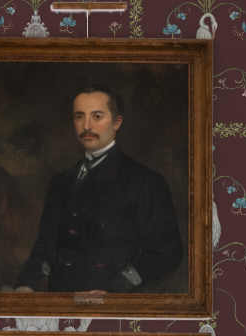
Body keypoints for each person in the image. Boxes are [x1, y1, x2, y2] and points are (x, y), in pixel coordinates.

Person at [13, 86, 184, 295]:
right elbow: (46, 246)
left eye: (97, 116)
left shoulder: (144, 180)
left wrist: (115, 288)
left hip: (112, 304)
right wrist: (26, 284)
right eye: (79, 116)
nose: (87, 125)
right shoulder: (59, 182)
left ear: (117, 122)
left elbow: (167, 250)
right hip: (59, 299)